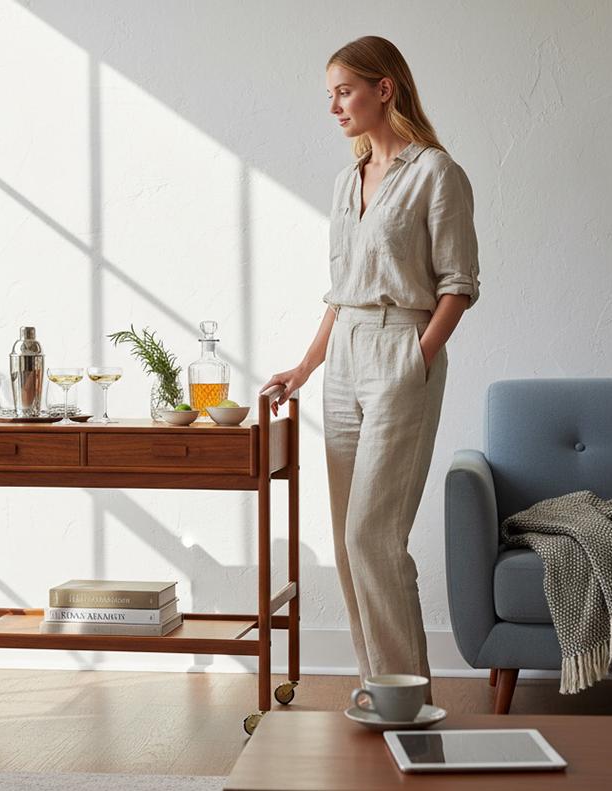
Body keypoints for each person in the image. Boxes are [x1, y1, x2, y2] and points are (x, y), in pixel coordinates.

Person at [260, 36, 480, 705]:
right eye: (330, 94)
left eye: (344, 91)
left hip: (400, 348)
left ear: (385, 89)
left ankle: (407, 696)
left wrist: (418, 358)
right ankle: (380, 688)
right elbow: (342, 293)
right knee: (347, 538)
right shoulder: (345, 182)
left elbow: (458, 284)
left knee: (373, 534)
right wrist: (304, 368)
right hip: (344, 358)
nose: (334, 107)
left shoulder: (436, 173)